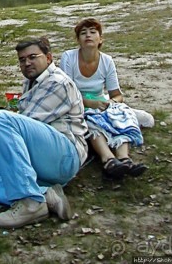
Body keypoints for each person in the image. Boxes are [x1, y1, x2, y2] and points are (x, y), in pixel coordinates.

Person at [0, 36, 89, 229]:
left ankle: (30, 203)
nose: (27, 63)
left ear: (49, 58)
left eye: (33, 57)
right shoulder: (32, 82)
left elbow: (28, 121)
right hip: (40, 159)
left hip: (64, 157)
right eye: (22, 60)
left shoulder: (58, 83)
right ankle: (44, 194)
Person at [60, 18, 147, 180]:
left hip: (101, 102)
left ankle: (124, 159)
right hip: (76, 104)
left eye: (93, 32)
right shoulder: (69, 58)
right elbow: (66, 93)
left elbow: (117, 94)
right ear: (78, 40)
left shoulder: (107, 60)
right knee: (93, 120)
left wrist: (112, 103)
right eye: (83, 33)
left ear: (100, 39)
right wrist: (90, 103)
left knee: (123, 114)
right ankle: (108, 160)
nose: (88, 36)